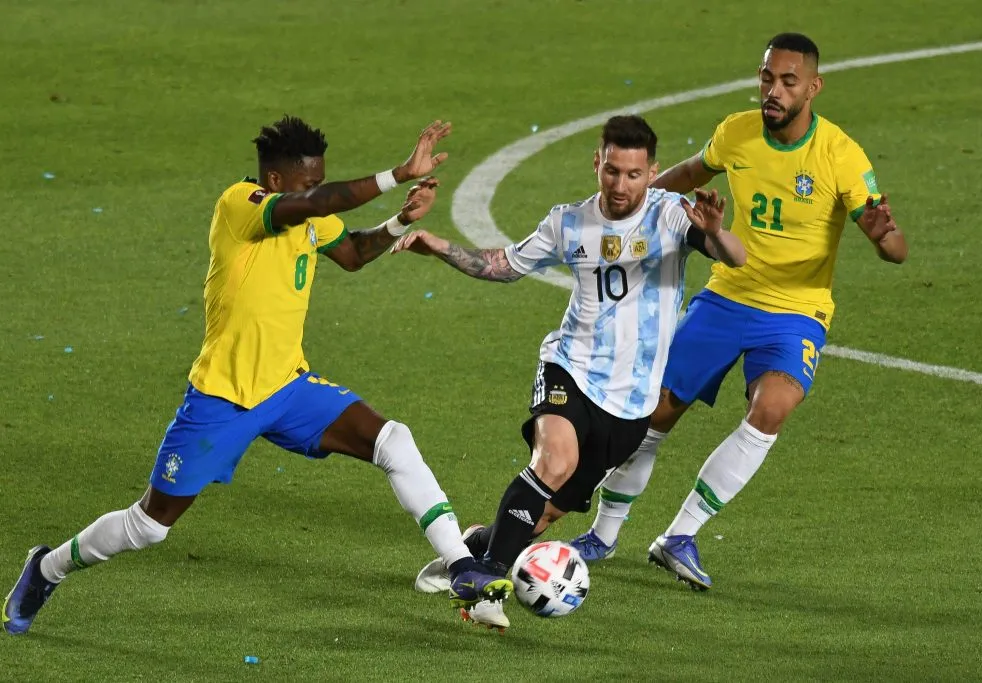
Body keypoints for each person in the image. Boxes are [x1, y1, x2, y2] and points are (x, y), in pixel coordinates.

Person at [3, 117, 511, 636]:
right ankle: (47, 568)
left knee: (392, 439)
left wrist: (399, 222)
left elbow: (354, 253)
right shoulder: (239, 206)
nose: (316, 191)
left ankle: (460, 566)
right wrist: (398, 173)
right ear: (273, 182)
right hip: (222, 398)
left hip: (289, 388)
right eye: (307, 183)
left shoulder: (311, 215)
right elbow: (316, 204)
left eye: (319, 180)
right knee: (149, 527)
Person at [569, 33, 908, 591]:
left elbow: (896, 249)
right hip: (728, 295)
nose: (772, 91)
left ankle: (680, 535)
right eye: (767, 77)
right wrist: (633, 200)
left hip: (796, 312)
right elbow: (688, 173)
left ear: (813, 88)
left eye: (787, 82)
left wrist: (881, 237)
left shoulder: (841, 156)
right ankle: (605, 534)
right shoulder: (738, 132)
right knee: (655, 412)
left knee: (771, 406)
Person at [394, 115, 746, 629]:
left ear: (651, 173)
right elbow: (504, 265)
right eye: (611, 171)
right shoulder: (569, 223)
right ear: (597, 164)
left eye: (632, 174)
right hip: (570, 367)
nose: (620, 185)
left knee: (544, 514)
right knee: (553, 461)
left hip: (631, 403)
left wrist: (714, 233)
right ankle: (485, 584)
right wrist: (440, 246)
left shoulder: (671, 216)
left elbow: (733, 257)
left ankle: (468, 551)